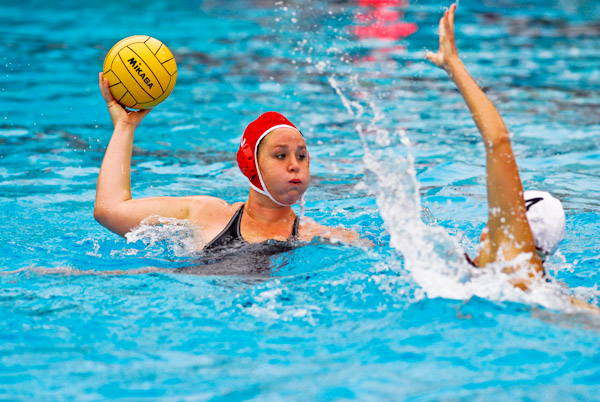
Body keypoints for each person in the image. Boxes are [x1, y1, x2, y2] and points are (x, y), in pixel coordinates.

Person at [95, 74, 361, 251]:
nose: (295, 164)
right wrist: (125, 127)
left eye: (301, 156)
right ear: (250, 164)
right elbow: (109, 210)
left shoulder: (316, 237)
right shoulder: (206, 213)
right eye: (281, 155)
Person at [425, 4, 569, 291]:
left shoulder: (514, 263)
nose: (483, 231)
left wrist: (454, 65)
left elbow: (498, 140)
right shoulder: (529, 283)